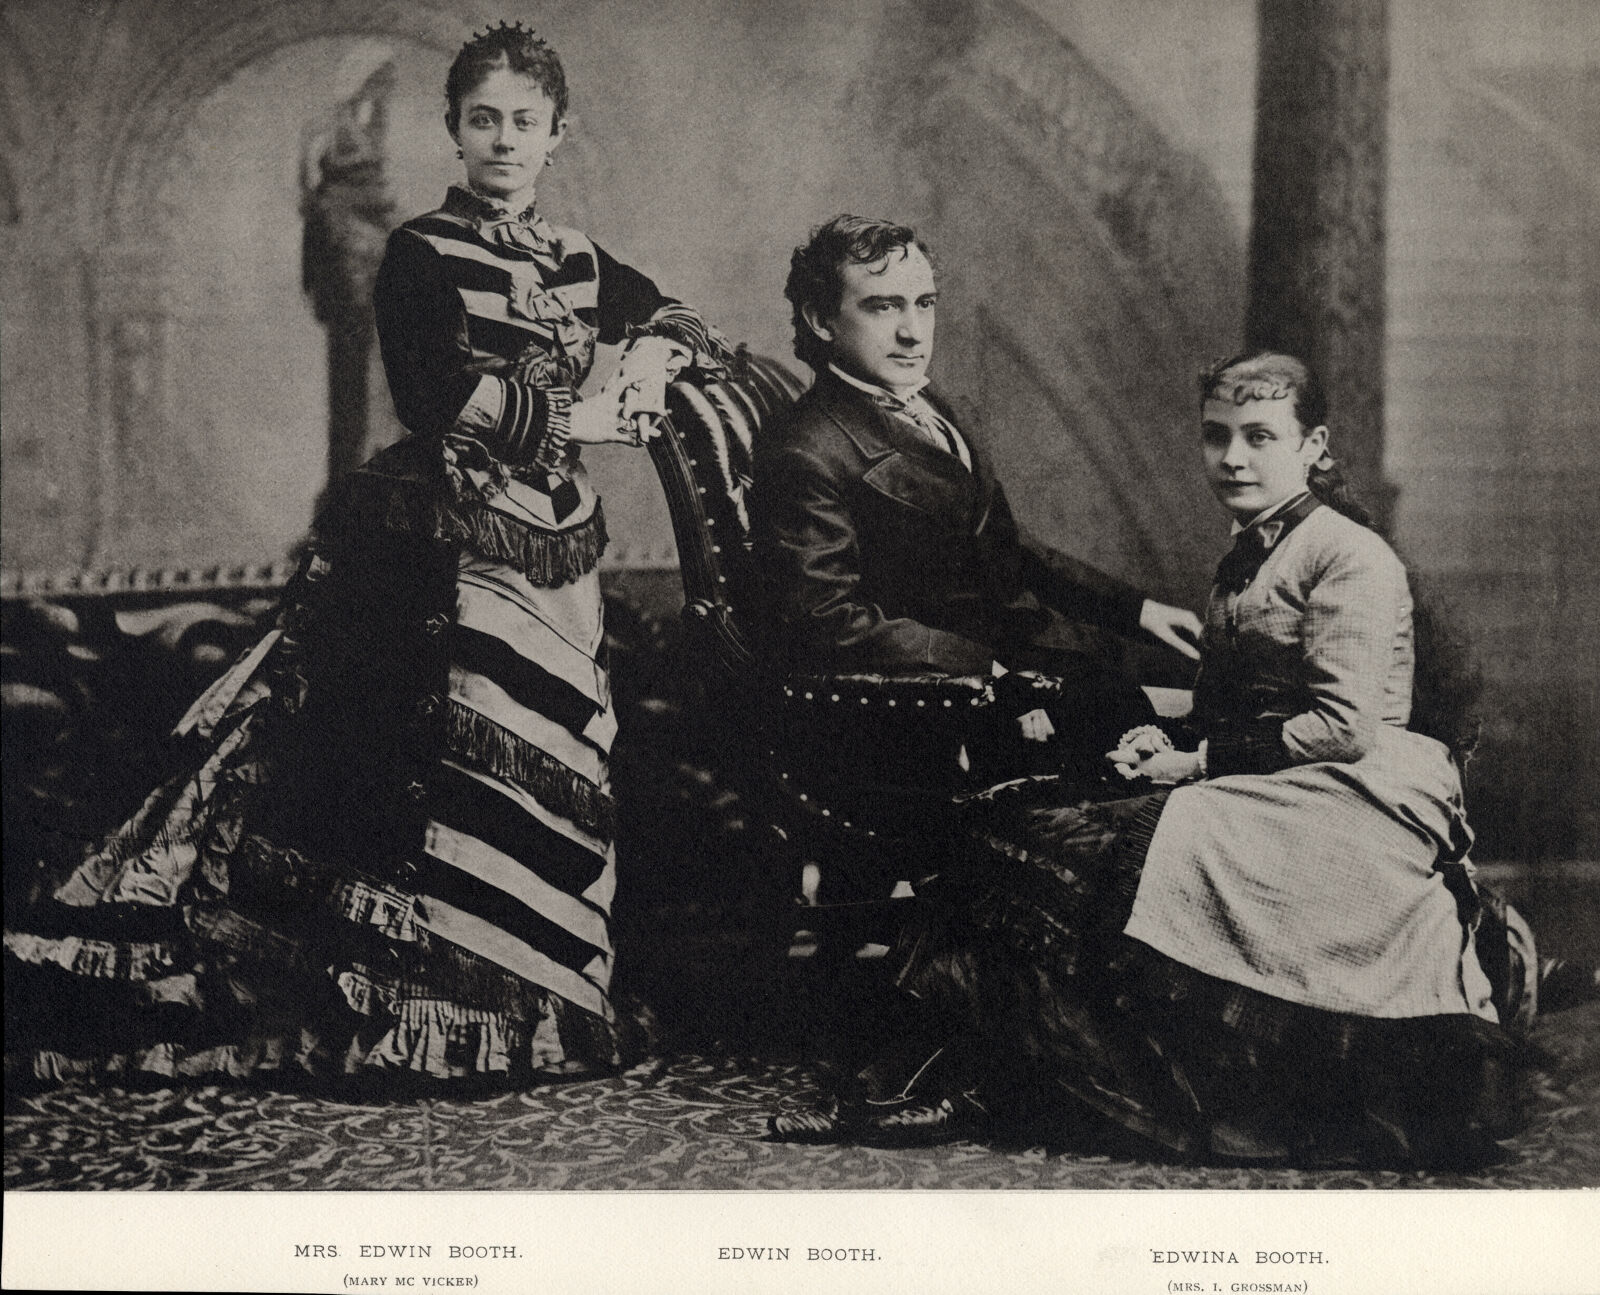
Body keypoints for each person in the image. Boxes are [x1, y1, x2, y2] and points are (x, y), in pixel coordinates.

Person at [3, 22, 729, 1088]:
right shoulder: (420, 253)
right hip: (455, 548)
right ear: (455, 130)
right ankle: (442, 1013)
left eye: (525, 123)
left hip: (562, 560)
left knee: (564, 757)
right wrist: (586, 408)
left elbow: (675, 320)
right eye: (484, 120)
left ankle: (548, 1006)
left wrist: (658, 347)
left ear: (556, 133)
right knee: (463, 762)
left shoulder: (578, 256)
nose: (505, 141)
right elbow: (444, 398)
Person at [767, 350, 1536, 1167]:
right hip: (1271, 776)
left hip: (1343, 790)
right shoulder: (1252, 551)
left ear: (1313, 446)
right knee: (1015, 824)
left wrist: (1195, 759)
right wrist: (1161, 735)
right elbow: (1234, 701)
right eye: (1217, 436)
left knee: (1068, 852)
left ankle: (1012, 1082)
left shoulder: (1348, 556)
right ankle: (968, 1075)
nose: (1233, 457)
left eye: (1260, 437)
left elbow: (1342, 726)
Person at [753, 214, 1203, 788]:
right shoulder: (806, 449)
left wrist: (1136, 610)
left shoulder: (932, 401)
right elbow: (826, 619)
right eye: (884, 307)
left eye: (925, 303)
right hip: (946, 716)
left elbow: (1001, 547)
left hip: (1030, 667)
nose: (914, 332)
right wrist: (986, 671)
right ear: (820, 320)